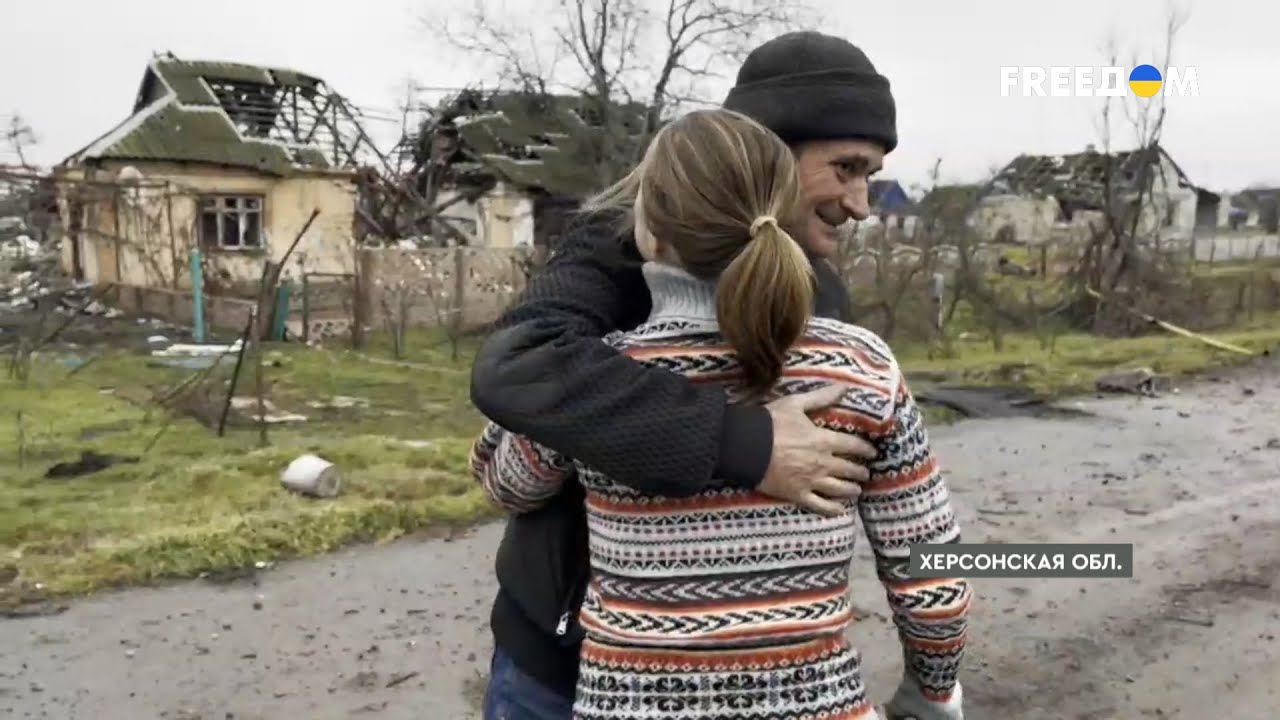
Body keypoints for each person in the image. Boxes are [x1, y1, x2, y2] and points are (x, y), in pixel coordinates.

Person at [471, 108, 972, 720]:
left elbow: (506, 482)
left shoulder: (599, 377)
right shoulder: (860, 368)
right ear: (781, 214)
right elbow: (930, 566)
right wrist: (933, 693)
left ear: (649, 233)